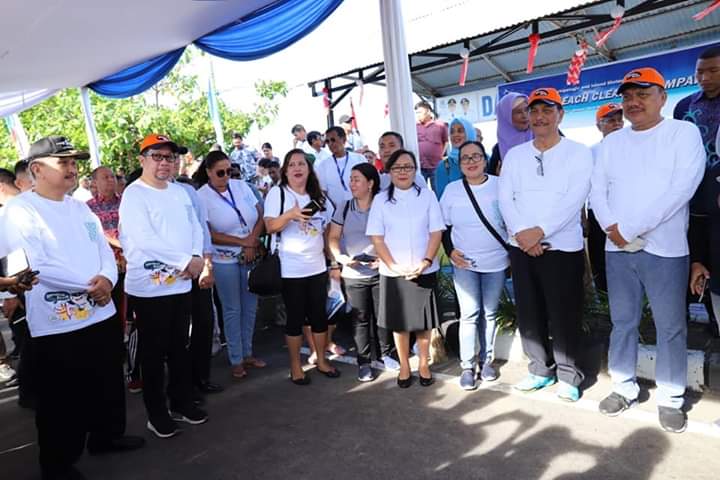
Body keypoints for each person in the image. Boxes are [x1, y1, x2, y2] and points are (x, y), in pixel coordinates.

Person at [2, 135, 144, 479]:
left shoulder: (79, 206)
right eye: (62, 162)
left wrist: (107, 279)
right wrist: (90, 286)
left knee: (107, 381)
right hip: (57, 322)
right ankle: (58, 463)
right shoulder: (20, 210)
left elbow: (102, 251)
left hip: (100, 311)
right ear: (37, 169)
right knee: (61, 399)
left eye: (73, 161)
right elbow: (32, 264)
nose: (72, 167)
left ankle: (105, 436)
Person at [592, 68, 705, 433]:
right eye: (628, 96)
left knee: (670, 327)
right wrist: (613, 228)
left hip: (666, 249)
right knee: (622, 323)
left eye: (643, 93)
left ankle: (672, 397)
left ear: (662, 97)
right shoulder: (612, 143)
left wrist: (629, 229)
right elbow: (597, 190)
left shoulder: (682, 133)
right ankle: (624, 386)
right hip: (617, 248)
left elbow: (681, 188)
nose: (633, 102)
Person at [498, 87, 593, 403]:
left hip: (561, 248)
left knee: (565, 311)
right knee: (529, 312)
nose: (539, 117)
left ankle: (569, 375)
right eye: (534, 111)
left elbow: (574, 198)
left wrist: (540, 231)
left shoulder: (578, 152)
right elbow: (505, 198)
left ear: (560, 115)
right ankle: (540, 370)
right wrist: (524, 235)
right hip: (522, 247)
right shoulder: (514, 155)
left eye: (547, 111)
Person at [119, 134, 208, 439]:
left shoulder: (180, 192)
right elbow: (144, 239)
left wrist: (196, 257)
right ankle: (156, 414)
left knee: (180, 348)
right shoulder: (134, 194)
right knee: (153, 354)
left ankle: (181, 402)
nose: (165, 163)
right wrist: (186, 260)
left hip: (182, 284)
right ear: (142, 160)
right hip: (151, 289)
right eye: (157, 156)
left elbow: (195, 225)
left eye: (169, 157)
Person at [367, 149, 445, 388]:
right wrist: (393, 266)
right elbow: (377, 238)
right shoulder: (380, 200)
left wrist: (425, 262)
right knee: (399, 323)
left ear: (415, 170)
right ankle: (403, 365)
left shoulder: (428, 197)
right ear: (389, 171)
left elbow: (436, 232)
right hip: (394, 272)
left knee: (423, 323)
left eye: (408, 167)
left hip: (424, 269)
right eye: (398, 167)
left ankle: (422, 363)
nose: (403, 172)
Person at [263, 149, 340, 384]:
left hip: (316, 267)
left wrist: (333, 263)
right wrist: (290, 215)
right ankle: (296, 366)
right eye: (292, 165)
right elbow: (269, 226)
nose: (297, 168)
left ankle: (322, 360)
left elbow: (327, 232)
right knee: (295, 319)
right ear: (285, 171)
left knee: (319, 317)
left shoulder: (319, 197)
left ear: (309, 170)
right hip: (290, 268)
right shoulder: (278, 194)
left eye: (302, 164)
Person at [440, 141, 509, 391]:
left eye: (476, 156)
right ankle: (467, 366)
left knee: (490, 313)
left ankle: (487, 361)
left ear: (484, 159)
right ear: (460, 164)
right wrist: (450, 251)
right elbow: (443, 227)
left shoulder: (500, 186)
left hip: (496, 261)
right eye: (466, 158)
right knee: (469, 314)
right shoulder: (451, 190)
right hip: (464, 263)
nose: (471, 161)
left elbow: (512, 221)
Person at [197, 150, 266, 380]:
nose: (226, 176)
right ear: (208, 172)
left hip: (250, 255)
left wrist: (251, 243)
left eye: (229, 171)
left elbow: (260, 214)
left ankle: (248, 353)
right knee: (232, 309)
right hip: (224, 259)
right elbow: (210, 233)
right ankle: (236, 358)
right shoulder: (202, 196)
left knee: (250, 307)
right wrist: (242, 242)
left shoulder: (242, 187)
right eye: (220, 172)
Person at [328, 163, 399, 381]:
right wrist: (340, 258)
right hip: (353, 274)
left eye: (357, 179)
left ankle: (387, 354)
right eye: (351, 179)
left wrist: (383, 260)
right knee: (360, 319)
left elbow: (394, 236)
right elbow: (333, 237)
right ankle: (364, 361)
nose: (352, 183)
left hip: (381, 271)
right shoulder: (344, 207)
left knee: (383, 315)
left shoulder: (383, 206)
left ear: (370, 184)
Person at [677, 46, 720, 337]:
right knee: (694, 268)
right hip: (690, 204)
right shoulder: (684, 106)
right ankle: (709, 323)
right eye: (699, 72)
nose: (704, 77)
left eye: (712, 71)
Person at [587, 103, 624, 293]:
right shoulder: (589, 152)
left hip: (626, 213)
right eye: (610, 120)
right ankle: (604, 302)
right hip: (598, 215)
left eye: (619, 120)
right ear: (598, 126)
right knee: (600, 260)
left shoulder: (634, 147)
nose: (616, 124)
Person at [316, 126, 367, 209]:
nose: (330, 144)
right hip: (336, 212)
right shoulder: (323, 165)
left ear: (343, 139)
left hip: (360, 209)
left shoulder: (359, 159)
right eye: (327, 141)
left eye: (333, 140)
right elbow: (323, 192)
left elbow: (368, 184)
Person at [488, 92, 533, 176]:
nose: (525, 115)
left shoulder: (544, 135)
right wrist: (500, 177)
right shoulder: (498, 150)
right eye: (518, 112)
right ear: (506, 117)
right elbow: (491, 178)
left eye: (527, 109)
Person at [435, 117, 477, 198]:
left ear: (469, 133)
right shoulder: (444, 166)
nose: (455, 135)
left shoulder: (484, 160)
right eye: (452, 132)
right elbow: (442, 199)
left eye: (460, 131)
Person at [415, 100, 448, 191]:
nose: (418, 115)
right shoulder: (414, 126)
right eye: (416, 113)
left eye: (420, 112)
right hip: (420, 166)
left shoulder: (440, 125)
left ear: (428, 111)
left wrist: (441, 154)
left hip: (436, 166)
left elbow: (446, 141)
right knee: (421, 192)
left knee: (438, 190)